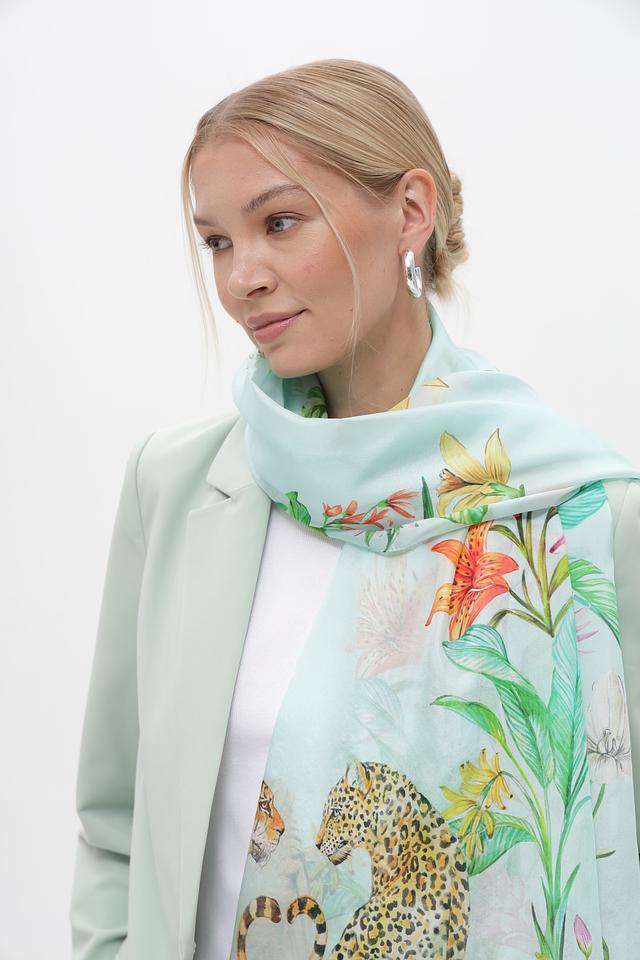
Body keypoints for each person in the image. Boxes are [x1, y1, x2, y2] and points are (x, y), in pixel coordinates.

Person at [69, 58, 640, 960]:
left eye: (278, 223)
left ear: (410, 212)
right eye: (216, 242)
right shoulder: (177, 487)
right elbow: (114, 823)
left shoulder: (581, 517)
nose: (241, 277)